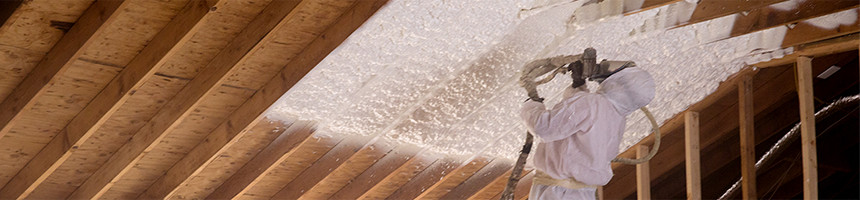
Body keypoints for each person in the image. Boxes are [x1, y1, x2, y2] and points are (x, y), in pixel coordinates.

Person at [519, 57, 655, 199]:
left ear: (619, 81)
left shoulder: (592, 104)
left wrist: (531, 105)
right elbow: (574, 119)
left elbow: (543, 128)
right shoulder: (617, 117)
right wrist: (578, 86)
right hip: (579, 193)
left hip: (560, 193)